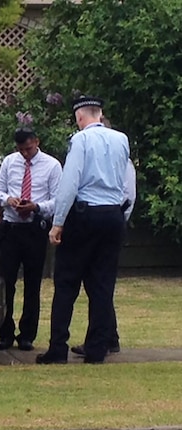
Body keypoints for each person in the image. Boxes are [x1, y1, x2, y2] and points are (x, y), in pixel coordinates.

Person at [36, 95, 130, 364]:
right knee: (102, 285)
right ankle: (97, 348)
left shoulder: (80, 140)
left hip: (85, 214)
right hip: (113, 214)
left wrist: (58, 222)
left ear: (80, 117)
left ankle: (57, 348)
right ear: (100, 114)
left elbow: (70, 183)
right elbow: (124, 182)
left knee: (66, 283)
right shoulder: (121, 139)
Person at [0, 127, 62, 351]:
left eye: (28, 149)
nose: (25, 154)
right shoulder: (9, 162)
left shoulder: (51, 165)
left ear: (36, 142)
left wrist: (37, 206)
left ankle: (27, 335)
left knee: (32, 284)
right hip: (11, 228)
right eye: (21, 150)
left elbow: (58, 200)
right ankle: (5, 332)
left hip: (34, 228)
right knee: (6, 282)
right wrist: (8, 199)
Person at [70, 116, 136, 357]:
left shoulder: (121, 161)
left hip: (108, 220)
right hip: (107, 220)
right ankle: (107, 336)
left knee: (100, 284)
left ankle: (104, 338)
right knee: (98, 284)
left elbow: (127, 194)